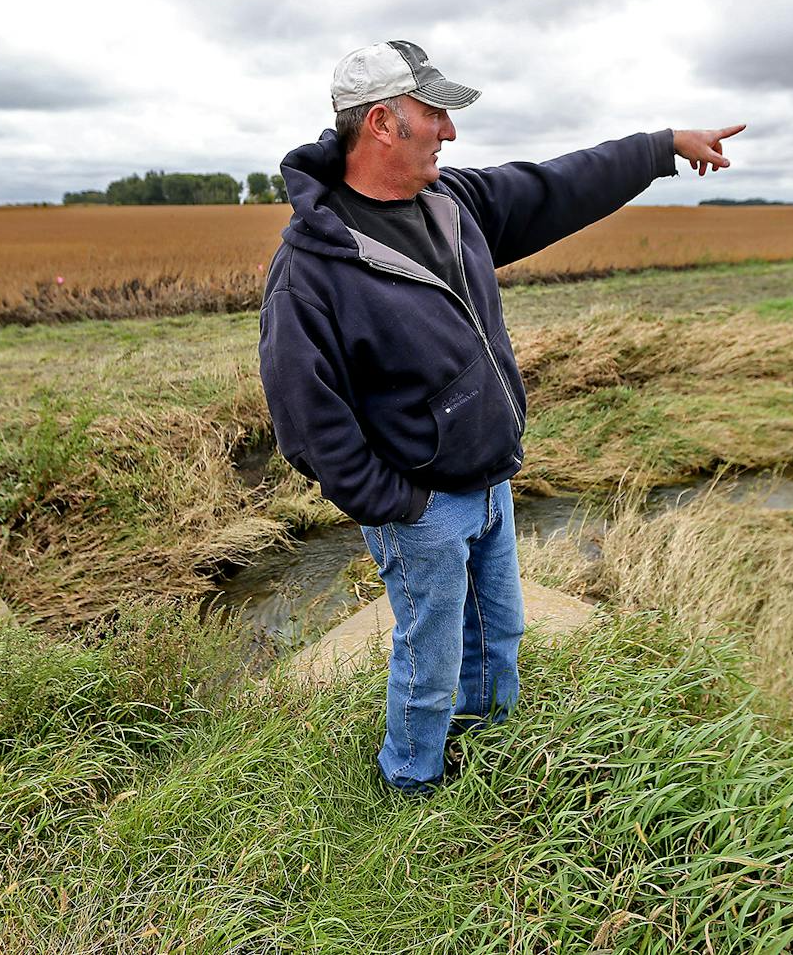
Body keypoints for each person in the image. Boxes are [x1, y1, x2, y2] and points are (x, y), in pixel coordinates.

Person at [258, 40, 743, 796]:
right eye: (434, 114)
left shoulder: (456, 206)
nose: (449, 131)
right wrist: (402, 505)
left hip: (492, 483)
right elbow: (307, 423)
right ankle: (410, 787)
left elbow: (557, 186)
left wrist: (661, 147)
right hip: (422, 505)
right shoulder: (313, 268)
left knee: (500, 636)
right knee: (429, 662)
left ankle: (483, 759)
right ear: (384, 123)